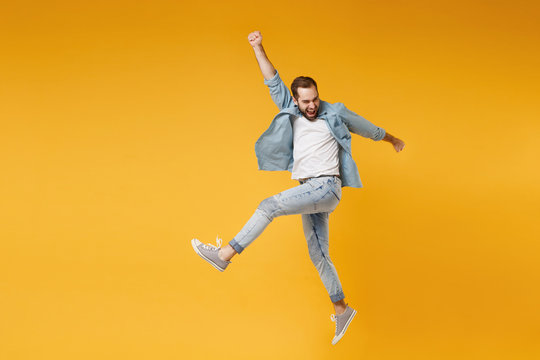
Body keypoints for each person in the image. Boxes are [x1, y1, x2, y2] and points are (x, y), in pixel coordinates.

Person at [191, 30, 405, 345]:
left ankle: (224, 254)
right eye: (306, 101)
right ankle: (341, 307)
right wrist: (258, 47)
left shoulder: (334, 112)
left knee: (269, 205)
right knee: (318, 254)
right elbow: (273, 80)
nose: (312, 105)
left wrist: (392, 140)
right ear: (296, 100)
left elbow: (367, 127)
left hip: (326, 186)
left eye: (315, 99)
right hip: (310, 189)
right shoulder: (291, 111)